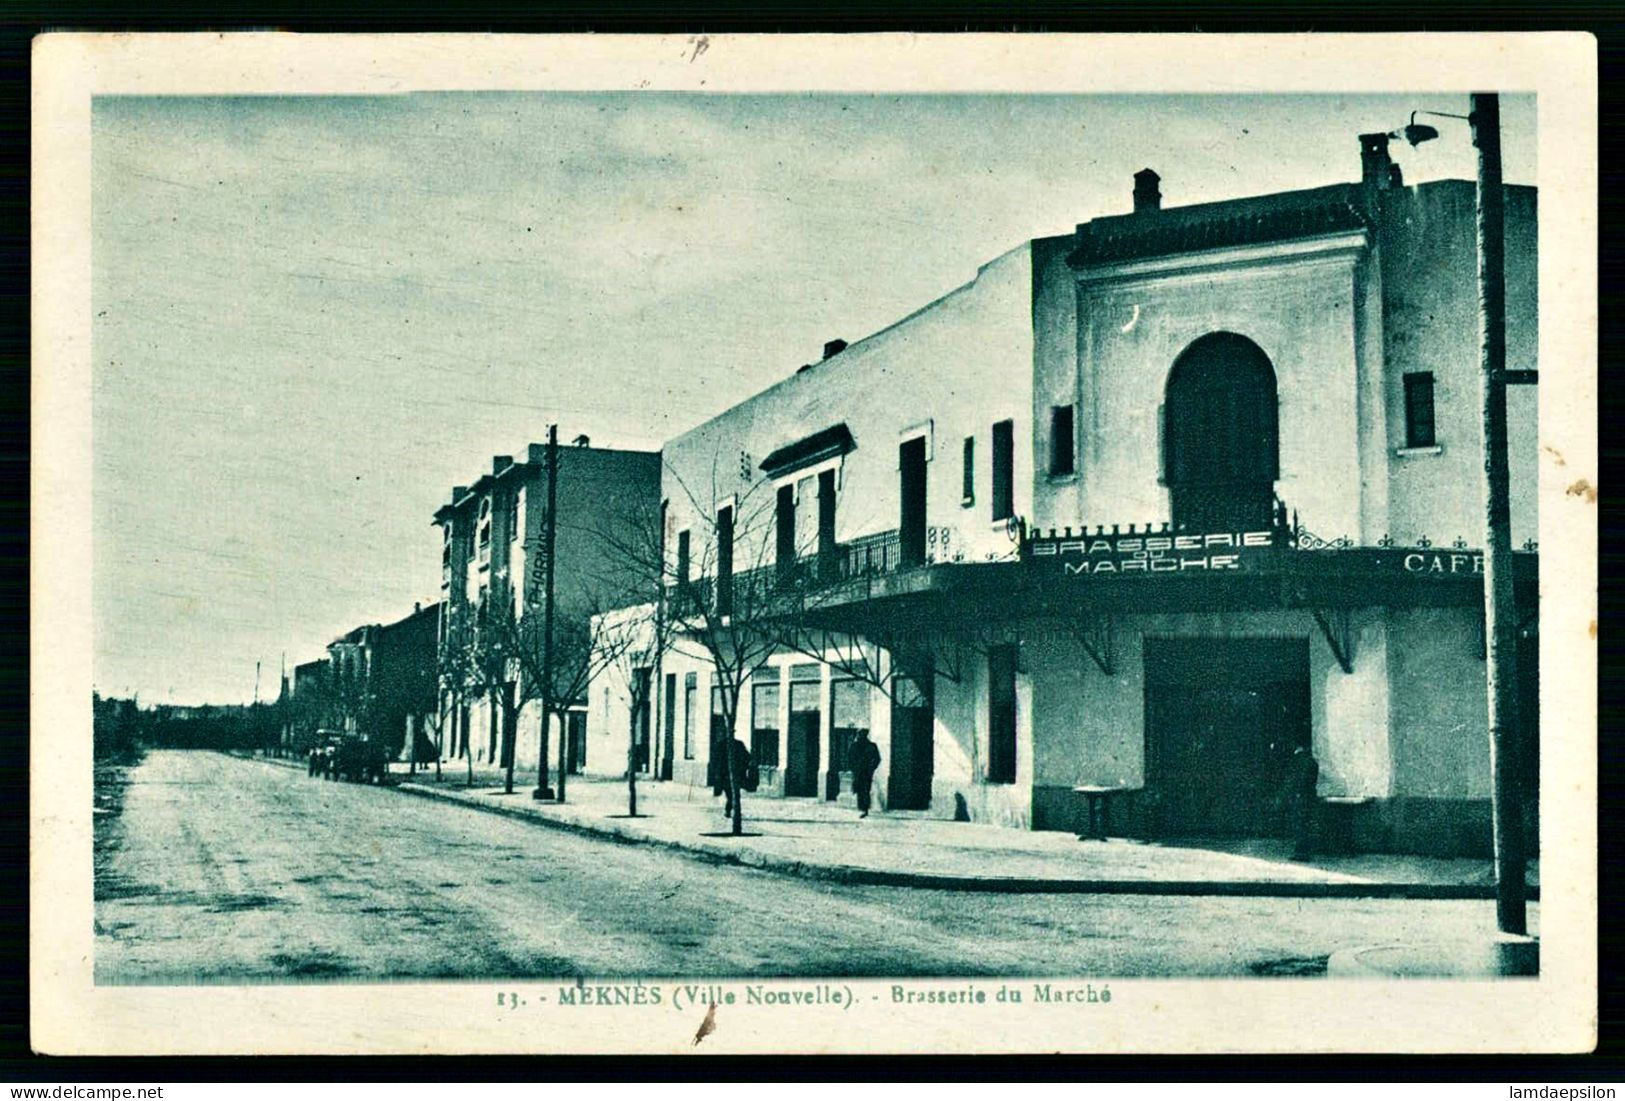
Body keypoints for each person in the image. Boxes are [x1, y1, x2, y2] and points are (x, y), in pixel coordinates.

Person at [1282, 744, 1320, 859]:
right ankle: (1306, 851)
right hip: (1310, 796)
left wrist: (1292, 794)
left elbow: (1296, 781)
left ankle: (1300, 852)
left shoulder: (1298, 762)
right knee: (1307, 824)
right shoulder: (1312, 762)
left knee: (1299, 824)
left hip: (1300, 797)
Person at [849, 730, 882, 818]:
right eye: (859, 734)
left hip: (866, 772)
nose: (860, 736)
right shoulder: (854, 746)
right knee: (860, 789)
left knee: (865, 790)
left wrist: (871, 768)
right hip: (858, 771)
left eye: (861, 734)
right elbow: (849, 759)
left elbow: (877, 759)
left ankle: (864, 809)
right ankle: (862, 808)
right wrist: (853, 769)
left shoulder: (871, 746)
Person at [721, 736, 753, 817]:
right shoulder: (737, 744)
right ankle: (732, 811)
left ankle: (732, 811)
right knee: (733, 794)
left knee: (732, 794)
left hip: (729, 775)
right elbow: (747, 757)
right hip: (729, 775)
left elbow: (747, 757)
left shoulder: (723, 744)